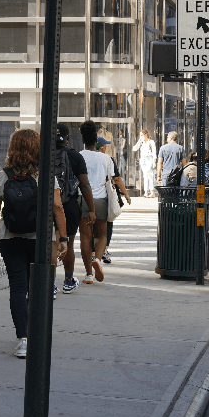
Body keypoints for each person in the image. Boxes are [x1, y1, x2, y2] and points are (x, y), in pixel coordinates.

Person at [0, 129, 68, 358]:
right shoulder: (45, 174)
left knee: (17, 287)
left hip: (10, 238)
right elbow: (57, 207)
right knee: (38, 288)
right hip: (39, 238)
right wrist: (62, 237)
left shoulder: (5, 174)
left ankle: (22, 339)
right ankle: (38, 334)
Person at [54, 122, 95, 294]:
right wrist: (91, 209)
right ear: (67, 138)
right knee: (67, 243)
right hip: (69, 204)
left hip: (48, 204)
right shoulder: (75, 156)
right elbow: (84, 185)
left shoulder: (42, 155)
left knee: (51, 243)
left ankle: (50, 283)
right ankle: (68, 280)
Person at [78, 121, 113, 284]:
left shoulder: (78, 155)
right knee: (102, 235)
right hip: (100, 200)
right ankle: (98, 259)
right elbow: (111, 178)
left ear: (82, 138)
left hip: (83, 199)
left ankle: (89, 275)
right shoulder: (105, 158)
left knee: (85, 237)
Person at [96, 136, 130, 264]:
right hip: (105, 196)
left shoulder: (86, 158)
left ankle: (94, 252)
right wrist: (126, 194)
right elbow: (117, 179)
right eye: (105, 145)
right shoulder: (107, 159)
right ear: (101, 147)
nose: (106, 147)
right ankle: (104, 250)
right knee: (108, 222)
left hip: (89, 196)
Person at [132, 130, 157, 197]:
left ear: (145, 135)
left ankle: (152, 191)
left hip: (149, 158)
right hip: (143, 159)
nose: (141, 137)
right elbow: (134, 149)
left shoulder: (151, 142)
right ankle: (146, 191)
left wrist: (154, 161)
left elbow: (154, 152)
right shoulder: (141, 142)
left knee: (149, 174)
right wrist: (139, 142)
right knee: (145, 175)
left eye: (142, 135)